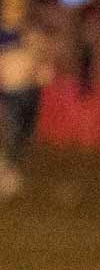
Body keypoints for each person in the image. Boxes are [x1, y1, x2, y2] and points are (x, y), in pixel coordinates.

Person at [0, 20, 53, 200]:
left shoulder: (34, 47)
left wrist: (42, 71)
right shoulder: (8, 45)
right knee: (13, 132)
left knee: (25, 133)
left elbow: (44, 69)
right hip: (11, 93)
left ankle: (11, 168)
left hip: (29, 93)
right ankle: (7, 172)